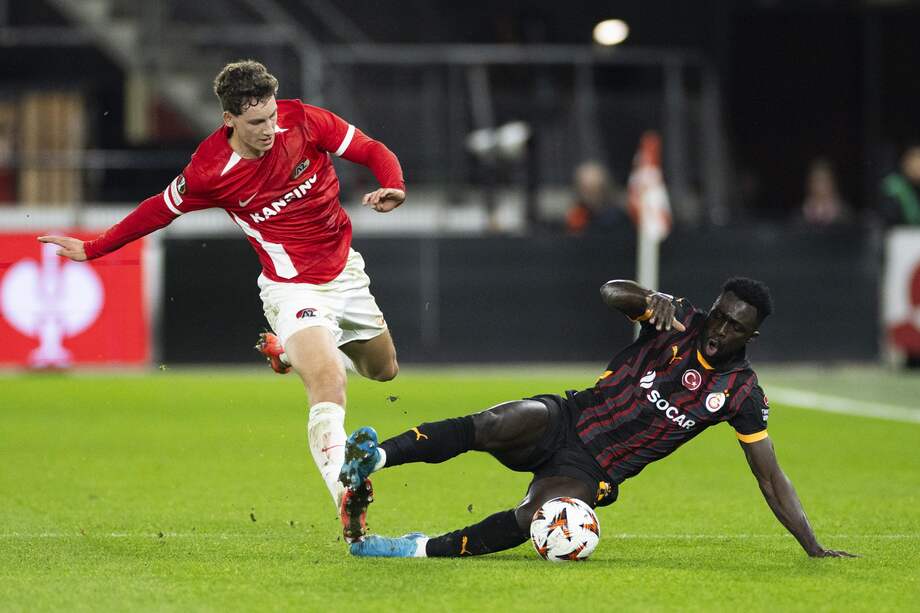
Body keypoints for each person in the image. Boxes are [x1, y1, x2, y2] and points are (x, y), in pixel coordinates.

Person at [37, 60, 406, 511]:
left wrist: (393, 184)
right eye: (256, 122)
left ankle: (289, 350)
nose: (270, 128)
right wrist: (94, 248)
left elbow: (369, 148)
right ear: (229, 119)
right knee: (329, 383)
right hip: (292, 289)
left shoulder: (304, 121)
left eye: (271, 115)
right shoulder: (210, 171)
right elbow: (157, 210)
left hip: (345, 273)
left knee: (383, 369)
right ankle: (345, 494)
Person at [337, 278, 856, 559]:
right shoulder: (678, 320)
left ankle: (414, 549)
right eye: (719, 315)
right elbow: (610, 291)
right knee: (495, 422)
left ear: (751, 336)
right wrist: (645, 298)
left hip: (593, 470)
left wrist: (812, 546)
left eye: (734, 326)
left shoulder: (741, 393)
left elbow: (769, 475)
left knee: (533, 519)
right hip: (567, 416)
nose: (719, 330)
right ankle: (373, 458)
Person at [565, 161, 627, 235]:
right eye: (585, 190)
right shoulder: (576, 217)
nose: (589, 197)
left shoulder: (617, 218)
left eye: (594, 190)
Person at [799, 158, 850, 226]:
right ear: (809, 184)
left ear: (832, 183)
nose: (820, 185)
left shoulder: (846, 215)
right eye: (816, 180)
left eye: (824, 180)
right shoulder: (799, 217)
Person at [880, 145, 920, 226]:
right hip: (899, 232)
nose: (917, 168)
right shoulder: (894, 184)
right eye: (915, 163)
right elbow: (888, 215)